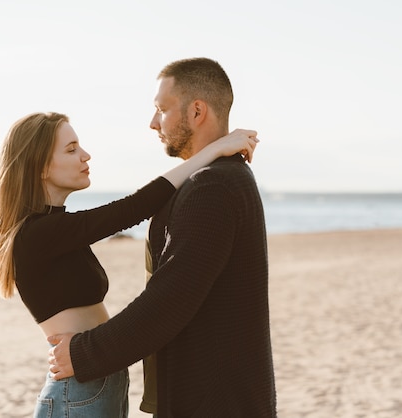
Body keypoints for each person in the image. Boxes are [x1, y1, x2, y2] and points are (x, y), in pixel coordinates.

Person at [0, 111, 259, 418]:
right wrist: (213, 150)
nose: (85, 156)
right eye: (71, 150)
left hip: (94, 384)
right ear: (40, 167)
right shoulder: (38, 234)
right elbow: (135, 208)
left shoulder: (56, 229)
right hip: (78, 391)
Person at [48, 57, 277, 417]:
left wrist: (82, 353)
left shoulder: (213, 186)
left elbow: (169, 300)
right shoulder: (212, 179)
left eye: (162, 109)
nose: (153, 122)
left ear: (197, 111)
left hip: (217, 403)